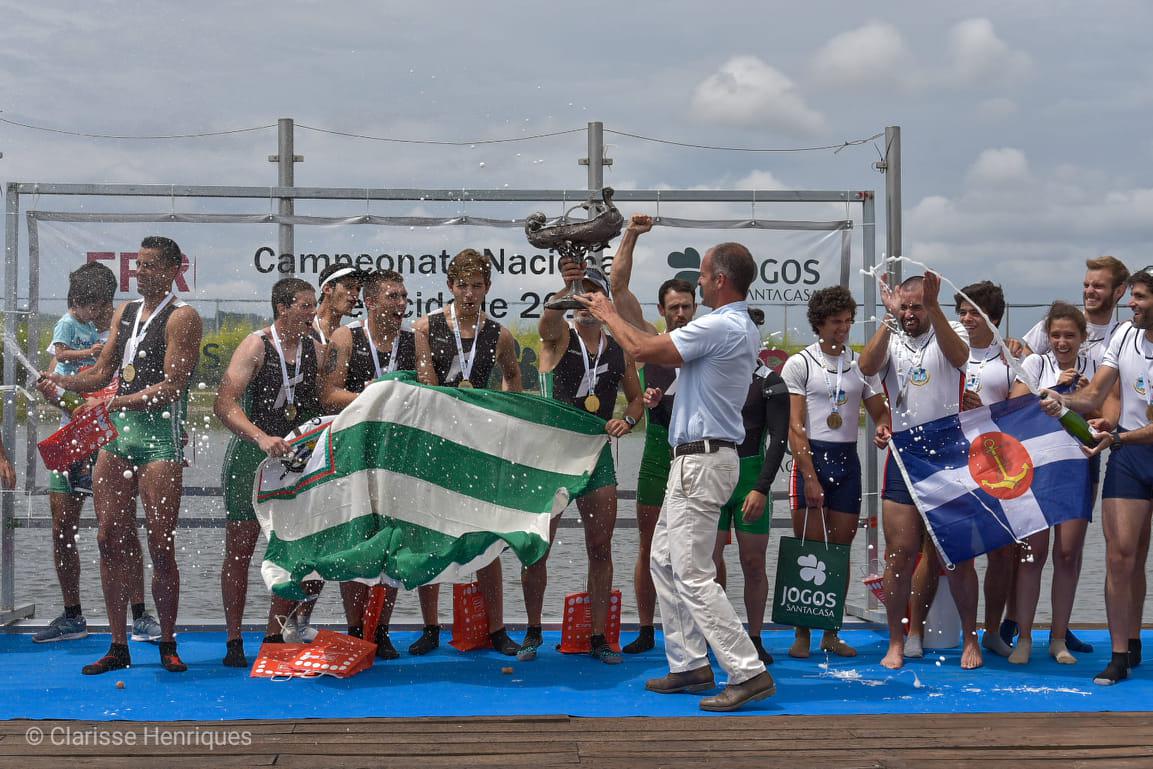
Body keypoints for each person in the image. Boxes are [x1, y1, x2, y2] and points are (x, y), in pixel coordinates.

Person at [576, 242, 775, 712]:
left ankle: (747, 670)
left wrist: (605, 310)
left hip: (701, 462)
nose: (699, 282)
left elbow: (643, 347)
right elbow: (653, 346)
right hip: (699, 458)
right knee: (664, 559)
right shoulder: (734, 326)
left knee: (691, 571)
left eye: (703, 276)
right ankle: (689, 664)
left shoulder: (721, 324)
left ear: (721, 280)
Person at [44, 236, 202, 674]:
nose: (140, 273)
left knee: (160, 542)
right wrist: (58, 383)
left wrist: (112, 403)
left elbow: (173, 387)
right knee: (108, 538)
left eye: (150, 266)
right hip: (119, 438)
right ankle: (118, 646)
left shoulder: (183, 317)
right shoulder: (125, 312)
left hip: (159, 441)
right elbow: (100, 372)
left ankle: (168, 642)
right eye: (138, 265)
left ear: (173, 270)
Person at [518, 262, 644, 664]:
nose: (586, 300)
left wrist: (626, 420)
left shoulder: (620, 348)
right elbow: (545, 323)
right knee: (538, 547)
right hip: (553, 452)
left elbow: (637, 400)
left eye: (594, 292)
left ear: (605, 300)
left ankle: (598, 636)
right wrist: (565, 286)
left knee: (601, 547)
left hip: (595, 453)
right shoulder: (558, 337)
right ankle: (533, 632)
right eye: (581, 293)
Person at [1007, 256, 1132, 655]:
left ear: (1082, 339)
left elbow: (1107, 412)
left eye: (1069, 336)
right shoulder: (1035, 361)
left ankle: (1058, 636)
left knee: (1067, 552)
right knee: (1033, 553)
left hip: (1079, 464)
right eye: (1056, 335)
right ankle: (1023, 634)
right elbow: (1012, 410)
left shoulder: (1100, 362)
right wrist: (1051, 390)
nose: (1062, 342)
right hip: (1036, 467)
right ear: (1049, 335)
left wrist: (1080, 408)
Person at [858, 273, 979, 670]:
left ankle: (970, 640)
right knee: (899, 555)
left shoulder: (951, 328)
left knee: (958, 557)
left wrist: (937, 306)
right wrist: (887, 318)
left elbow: (961, 358)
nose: (910, 313)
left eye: (916, 306)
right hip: (905, 453)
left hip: (949, 453)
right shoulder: (891, 335)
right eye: (904, 306)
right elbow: (865, 366)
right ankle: (896, 640)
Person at [319, 269, 439, 659]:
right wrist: (373, 397)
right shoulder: (345, 337)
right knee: (356, 539)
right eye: (393, 297)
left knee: (389, 541)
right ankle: (355, 629)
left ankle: (380, 629)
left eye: (405, 297)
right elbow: (328, 395)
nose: (402, 304)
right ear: (371, 302)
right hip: (355, 451)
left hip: (397, 456)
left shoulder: (415, 339)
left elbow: (430, 393)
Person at [1043, 265, 1153, 685]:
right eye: (1133, 296)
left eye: (1140, 297)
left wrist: (1121, 436)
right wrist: (1059, 398)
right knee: (1120, 556)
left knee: (1139, 555)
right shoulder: (1124, 335)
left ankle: (1135, 636)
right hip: (1128, 455)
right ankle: (1121, 653)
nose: (1131, 304)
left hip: (1131, 442)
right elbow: (1093, 395)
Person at [413, 248, 523, 656]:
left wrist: (499, 412)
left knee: (487, 537)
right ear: (449, 286)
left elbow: (514, 379)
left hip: (478, 446)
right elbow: (426, 383)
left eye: (477, 286)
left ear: (488, 288)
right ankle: (430, 627)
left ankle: (496, 629)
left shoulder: (499, 334)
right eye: (463, 285)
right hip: (437, 443)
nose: (470, 293)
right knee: (430, 534)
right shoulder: (424, 327)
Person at [214, 277, 323, 667]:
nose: (313, 313)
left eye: (314, 306)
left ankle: (274, 633)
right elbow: (223, 404)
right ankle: (233, 639)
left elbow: (323, 404)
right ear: (283, 308)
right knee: (239, 551)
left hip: (292, 460)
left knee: (294, 549)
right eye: (306, 306)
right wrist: (261, 437)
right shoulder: (256, 344)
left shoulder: (315, 349)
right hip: (251, 457)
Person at [906, 282, 1017, 659]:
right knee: (936, 551)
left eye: (975, 313)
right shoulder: (945, 348)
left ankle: (990, 632)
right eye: (962, 312)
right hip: (949, 461)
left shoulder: (1012, 357)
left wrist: (982, 410)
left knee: (1002, 553)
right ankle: (915, 632)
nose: (967, 319)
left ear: (995, 318)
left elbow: (1019, 413)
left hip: (994, 465)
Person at [605, 213, 697, 655]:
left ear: (695, 307)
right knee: (647, 543)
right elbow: (618, 289)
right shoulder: (651, 339)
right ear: (661, 311)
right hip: (660, 451)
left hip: (697, 454)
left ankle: (699, 629)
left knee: (700, 551)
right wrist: (630, 236)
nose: (680, 313)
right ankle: (645, 628)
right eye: (673, 307)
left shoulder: (712, 342)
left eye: (687, 306)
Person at [781, 285, 889, 659]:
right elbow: (795, 427)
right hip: (811, 460)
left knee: (838, 553)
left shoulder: (860, 365)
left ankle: (831, 633)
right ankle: (802, 635)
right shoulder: (800, 364)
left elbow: (879, 410)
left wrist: (882, 426)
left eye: (847, 322)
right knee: (810, 552)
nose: (842, 329)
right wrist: (809, 476)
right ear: (819, 323)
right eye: (835, 323)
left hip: (846, 461)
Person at [710, 307, 790, 665]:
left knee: (753, 562)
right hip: (712, 476)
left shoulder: (770, 381)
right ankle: (715, 634)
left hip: (750, 477)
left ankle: (755, 637)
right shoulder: (712, 374)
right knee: (707, 564)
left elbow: (778, 440)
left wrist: (761, 487)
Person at [312, 264, 366, 345]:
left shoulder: (349, 337)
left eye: (358, 289)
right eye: (349, 286)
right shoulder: (303, 330)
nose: (355, 293)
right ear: (327, 289)